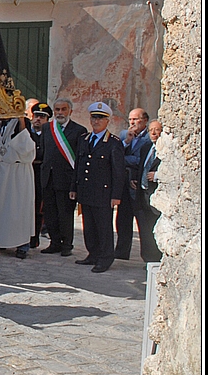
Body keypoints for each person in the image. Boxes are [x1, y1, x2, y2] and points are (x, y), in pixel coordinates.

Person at [70, 102, 127, 273]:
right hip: (86, 191)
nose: (96, 121)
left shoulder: (113, 143)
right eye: (94, 117)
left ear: (107, 121)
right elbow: (78, 165)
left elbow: (118, 172)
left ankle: (105, 258)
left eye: (100, 118)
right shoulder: (84, 139)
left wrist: (116, 195)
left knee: (103, 227)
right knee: (89, 226)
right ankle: (92, 254)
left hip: (103, 192)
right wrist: (74, 187)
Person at [39, 98, 86, 257]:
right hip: (49, 178)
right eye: (57, 109)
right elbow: (44, 151)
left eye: (63, 109)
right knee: (50, 213)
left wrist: (75, 184)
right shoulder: (47, 128)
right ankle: (54, 242)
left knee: (65, 214)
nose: (60, 113)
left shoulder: (79, 130)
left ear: (70, 111)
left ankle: (67, 245)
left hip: (66, 179)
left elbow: (79, 159)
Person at [0, 108, 37, 260]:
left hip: (17, 172)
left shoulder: (23, 123)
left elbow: (27, 147)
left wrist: (21, 120)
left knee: (18, 209)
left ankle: (22, 244)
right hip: (0, 170)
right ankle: (0, 240)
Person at [117, 108, 150, 260]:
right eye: (130, 119)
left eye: (135, 119)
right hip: (123, 183)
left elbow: (141, 161)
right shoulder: (124, 135)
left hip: (137, 184)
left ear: (144, 121)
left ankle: (148, 255)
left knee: (142, 222)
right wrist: (126, 142)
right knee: (122, 219)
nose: (132, 122)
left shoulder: (150, 137)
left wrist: (124, 159)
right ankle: (122, 252)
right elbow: (115, 154)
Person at [135, 120, 163, 263]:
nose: (153, 133)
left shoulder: (166, 151)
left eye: (157, 130)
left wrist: (157, 175)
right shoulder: (146, 147)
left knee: (155, 231)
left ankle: (156, 260)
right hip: (142, 196)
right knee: (145, 232)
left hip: (156, 198)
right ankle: (147, 259)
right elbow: (141, 166)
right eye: (151, 130)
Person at [28, 102, 52, 247]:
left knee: (38, 209)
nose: (38, 119)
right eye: (36, 116)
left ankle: (34, 238)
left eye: (42, 117)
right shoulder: (26, 133)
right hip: (27, 172)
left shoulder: (50, 136)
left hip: (40, 175)